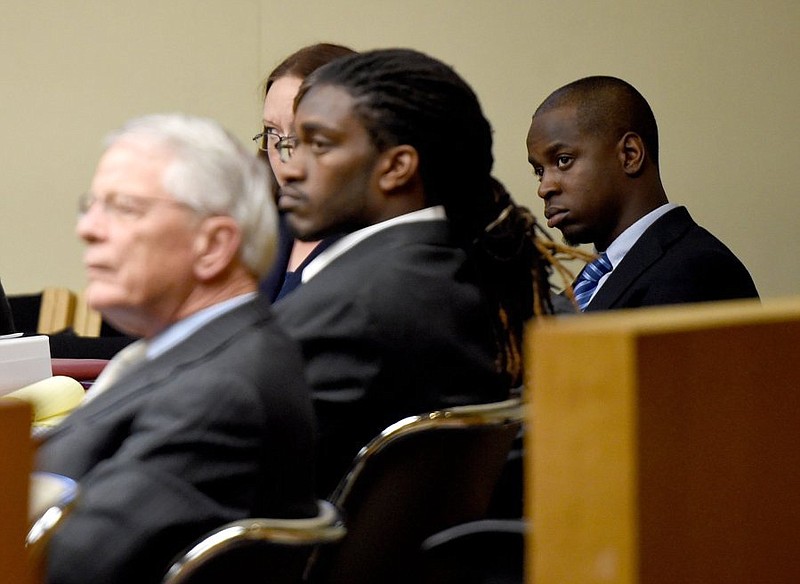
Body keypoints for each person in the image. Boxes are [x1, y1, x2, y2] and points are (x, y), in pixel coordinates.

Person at [35, 114, 317, 584]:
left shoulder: (222, 390)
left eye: (123, 208)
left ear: (213, 245)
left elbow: (74, 564)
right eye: (92, 206)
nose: (89, 229)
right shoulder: (205, 353)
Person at [271, 48, 562, 495]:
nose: (290, 169)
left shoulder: (356, 305)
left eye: (319, 145)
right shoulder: (451, 269)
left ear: (396, 167)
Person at [526, 75, 759, 311]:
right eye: (539, 171)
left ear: (630, 154)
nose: (544, 187)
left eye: (563, 160)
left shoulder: (700, 270)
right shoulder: (585, 286)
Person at [255, 43, 357, 301]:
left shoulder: (379, 246)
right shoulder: (258, 228)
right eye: (272, 132)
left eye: (302, 134)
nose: (283, 153)